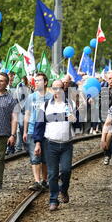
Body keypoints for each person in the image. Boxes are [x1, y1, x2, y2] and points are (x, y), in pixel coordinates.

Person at [33, 80, 77, 211]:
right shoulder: (45, 105)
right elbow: (39, 126)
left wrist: (75, 117)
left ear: (64, 89)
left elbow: (78, 123)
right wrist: (37, 143)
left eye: (60, 88)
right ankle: (53, 199)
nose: (58, 90)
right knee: (52, 174)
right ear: (51, 90)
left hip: (66, 144)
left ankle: (64, 190)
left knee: (66, 170)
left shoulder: (70, 104)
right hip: (50, 144)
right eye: (55, 88)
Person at [23, 73, 52, 191]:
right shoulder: (31, 97)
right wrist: (24, 131)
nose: (36, 82)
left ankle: (45, 180)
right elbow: (27, 114)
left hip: (47, 130)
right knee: (34, 157)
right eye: (35, 81)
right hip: (32, 129)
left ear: (45, 82)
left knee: (45, 157)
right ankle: (37, 181)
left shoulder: (51, 97)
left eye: (39, 80)